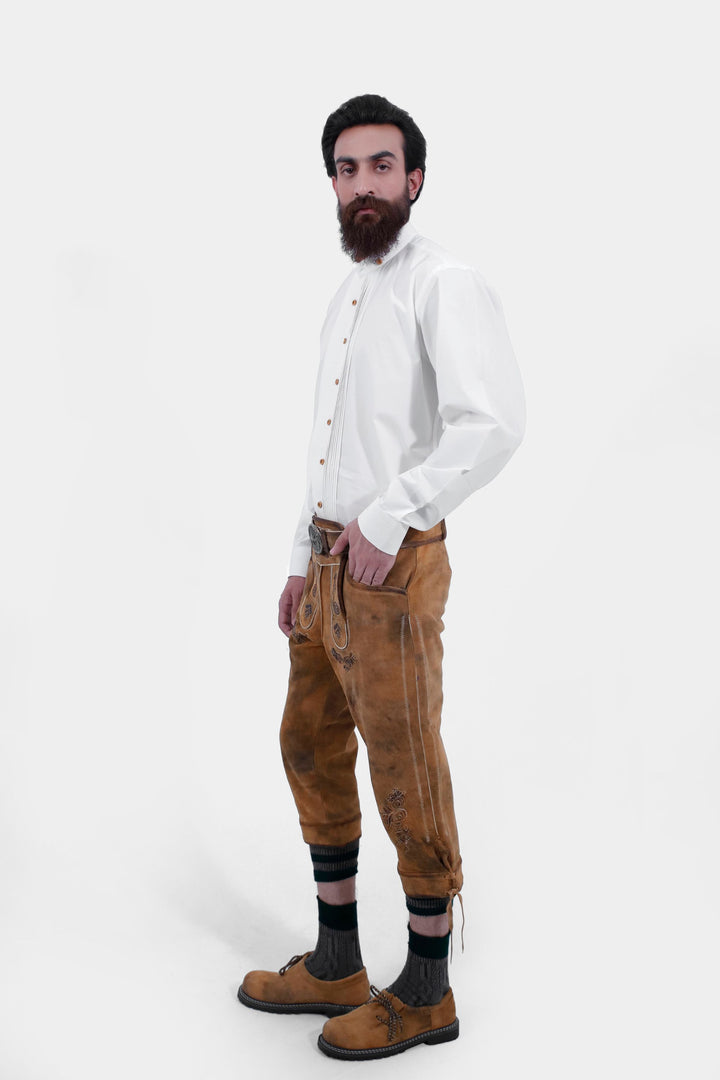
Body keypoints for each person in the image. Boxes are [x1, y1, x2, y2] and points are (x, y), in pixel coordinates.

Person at [237, 93, 526, 1061]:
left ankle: (429, 991)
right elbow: (329, 452)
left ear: (415, 178)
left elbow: (492, 425)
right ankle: (337, 962)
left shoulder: (441, 283)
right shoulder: (349, 292)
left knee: (405, 764)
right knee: (311, 746)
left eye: (382, 166)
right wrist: (299, 563)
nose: (365, 185)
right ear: (333, 184)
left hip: (393, 568)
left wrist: (391, 516)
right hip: (328, 566)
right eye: (348, 170)